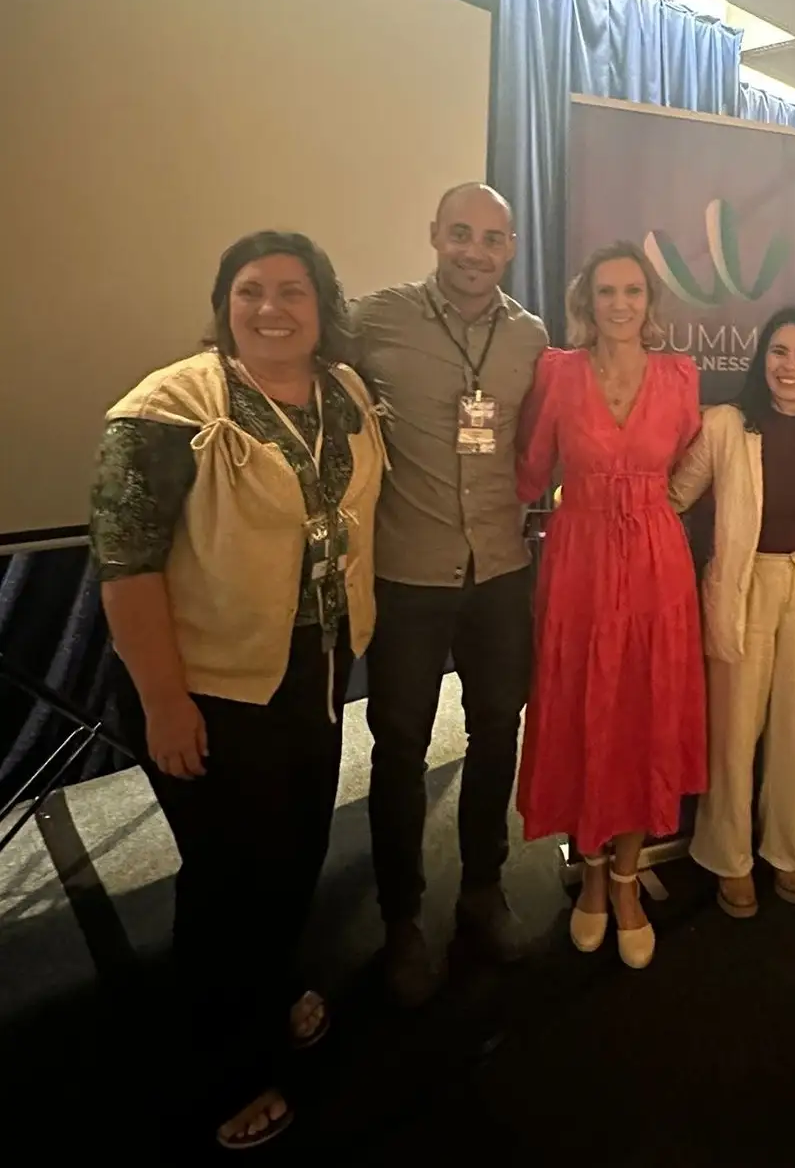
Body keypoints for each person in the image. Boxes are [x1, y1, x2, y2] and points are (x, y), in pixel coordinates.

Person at [91, 231, 386, 1151]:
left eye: (292, 290)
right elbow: (126, 568)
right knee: (227, 881)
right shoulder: (165, 409)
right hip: (209, 685)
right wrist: (164, 701)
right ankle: (226, 1070)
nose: (270, 308)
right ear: (224, 304)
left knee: (295, 852)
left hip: (313, 670)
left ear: (322, 305)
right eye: (250, 290)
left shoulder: (343, 392)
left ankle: (269, 982)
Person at [351, 183, 548, 1005]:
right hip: (408, 567)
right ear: (435, 235)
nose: (475, 250)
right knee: (398, 746)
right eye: (460, 233)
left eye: (492, 238)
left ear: (511, 248)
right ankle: (401, 919)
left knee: (497, 729)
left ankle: (482, 889)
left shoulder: (530, 336)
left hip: (500, 566)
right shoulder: (376, 319)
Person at [515, 242, 706, 969]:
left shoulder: (679, 375)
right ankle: (590, 873)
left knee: (644, 711)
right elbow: (530, 467)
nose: (620, 304)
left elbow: (688, 459)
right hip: (581, 562)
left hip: (657, 562)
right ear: (585, 301)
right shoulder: (557, 372)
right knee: (582, 706)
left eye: (632, 291)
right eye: (606, 291)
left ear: (650, 301)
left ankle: (626, 878)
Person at [670, 306, 795, 917]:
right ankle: (729, 856)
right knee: (734, 728)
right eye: (779, 351)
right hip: (744, 586)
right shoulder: (726, 424)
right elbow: (674, 496)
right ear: (761, 358)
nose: (789, 365)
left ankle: (788, 850)